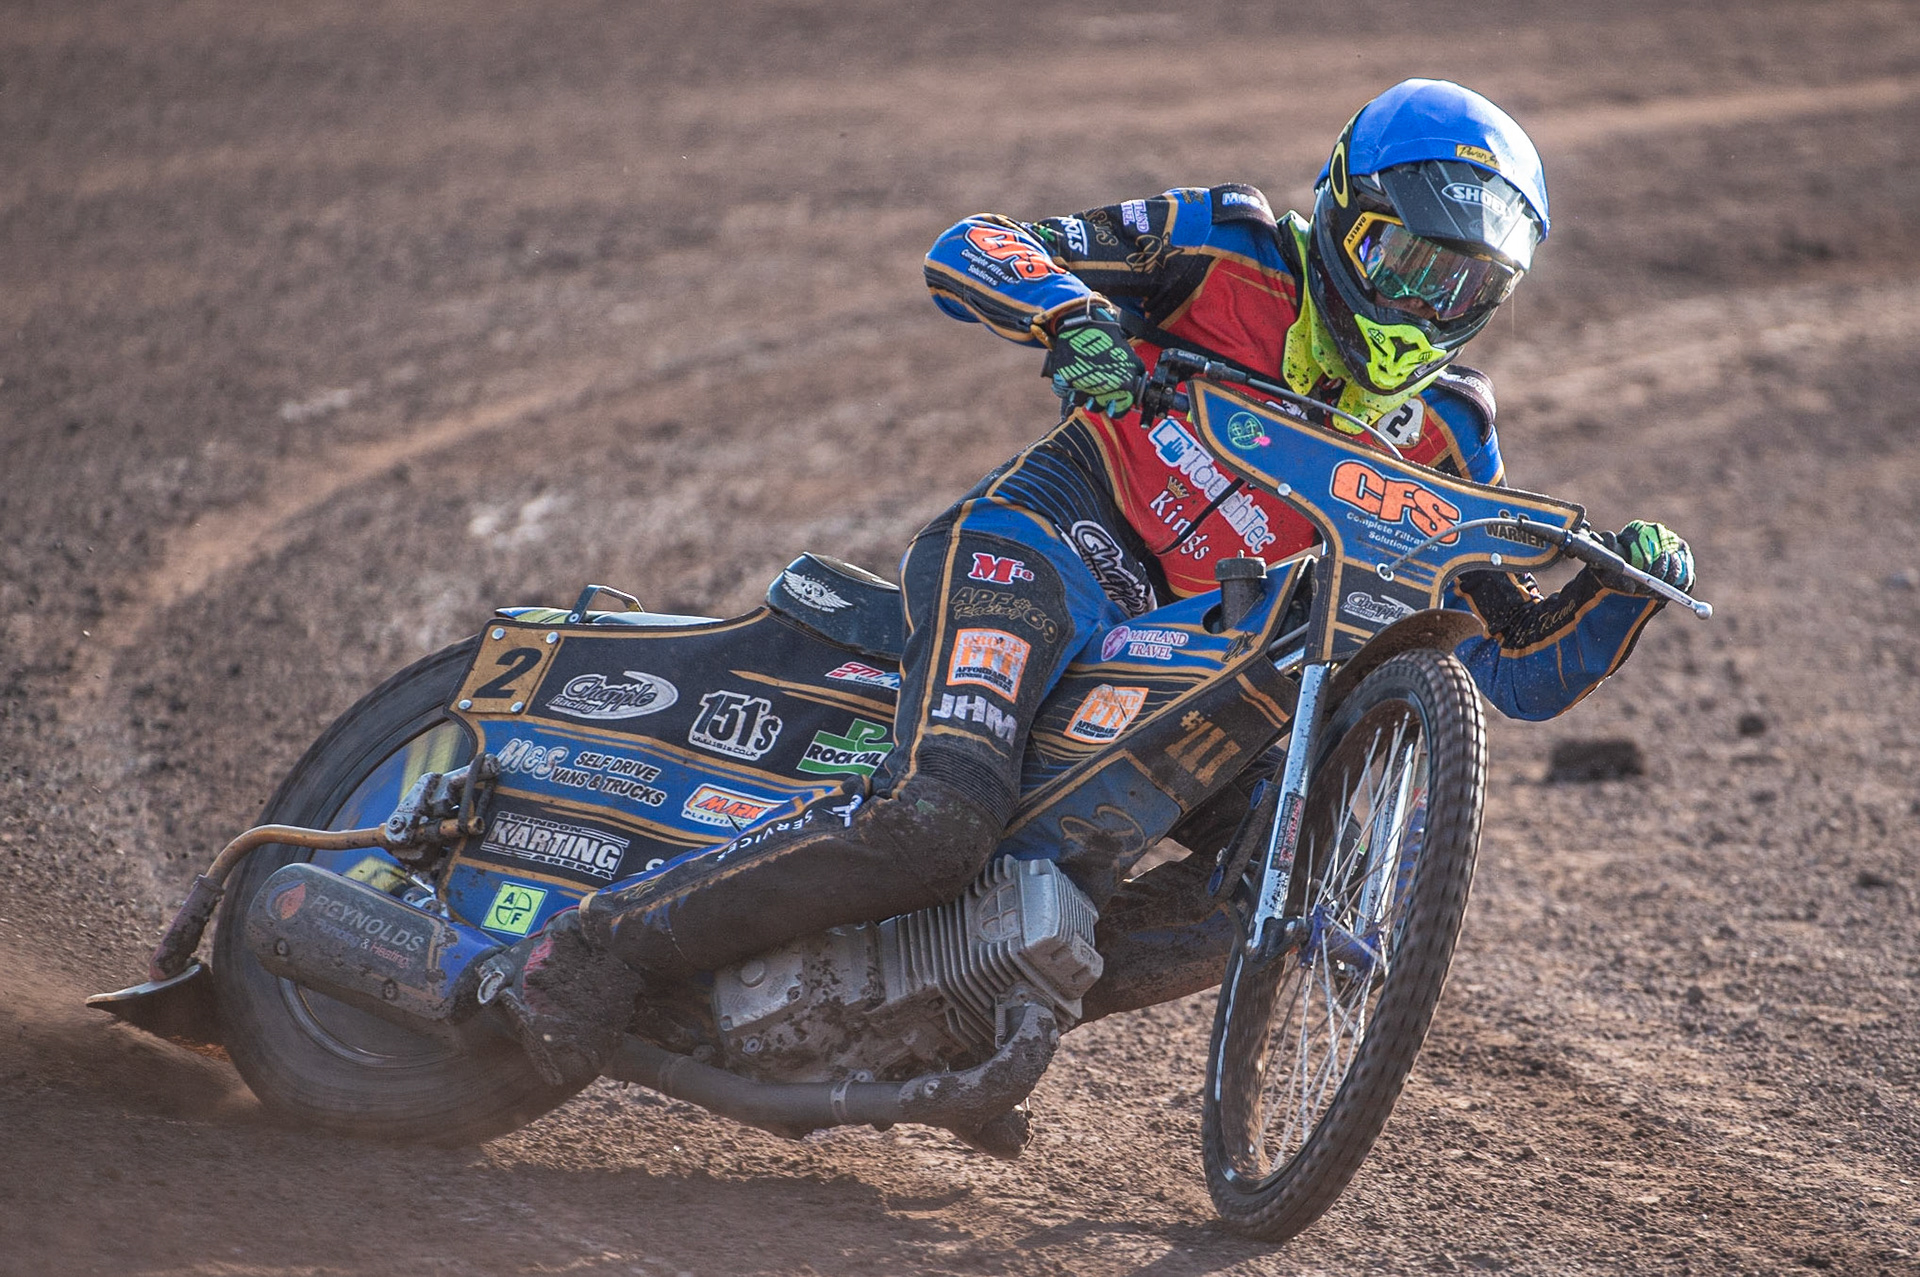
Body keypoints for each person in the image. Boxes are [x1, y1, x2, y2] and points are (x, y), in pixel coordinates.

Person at [484, 78, 1696, 1087]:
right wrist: (1074, 320)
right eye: (1403, 260)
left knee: (1251, 896)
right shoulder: (1222, 244)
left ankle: (954, 1022)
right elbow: (980, 245)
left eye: (1465, 287)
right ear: (1339, 212)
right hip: (1047, 548)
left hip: (1201, 655)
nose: (1426, 304)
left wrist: (1618, 593)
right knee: (937, 818)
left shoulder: (1453, 437)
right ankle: (594, 950)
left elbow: (1505, 666)